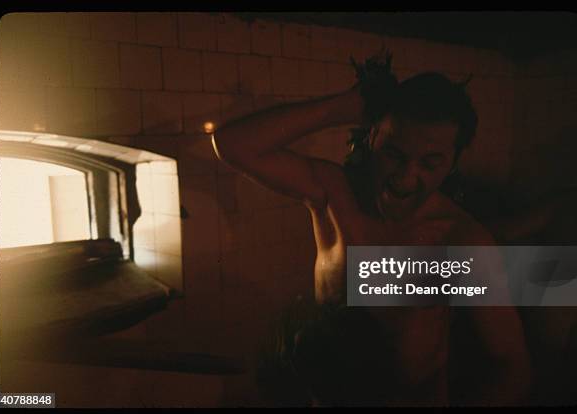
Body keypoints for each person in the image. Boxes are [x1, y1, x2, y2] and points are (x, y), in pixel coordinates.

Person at [211, 53, 531, 406]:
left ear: (453, 161)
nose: (406, 178)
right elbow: (233, 144)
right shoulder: (334, 195)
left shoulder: (460, 241)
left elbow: (510, 367)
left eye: (430, 162)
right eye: (394, 154)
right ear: (372, 136)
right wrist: (344, 107)